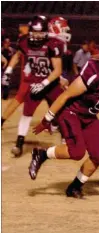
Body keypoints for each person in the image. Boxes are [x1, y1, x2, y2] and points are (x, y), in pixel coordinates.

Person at [28, 43, 99, 199]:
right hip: (71, 112)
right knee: (77, 152)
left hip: (89, 117)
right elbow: (65, 96)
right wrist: (47, 119)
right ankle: (42, 154)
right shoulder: (96, 73)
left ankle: (74, 187)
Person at [2, 15, 65, 156]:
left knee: (60, 111)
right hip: (35, 82)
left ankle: (66, 139)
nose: (36, 36)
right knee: (26, 113)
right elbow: (17, 55)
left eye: (39, 32)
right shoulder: (24, 42)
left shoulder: (52, 44)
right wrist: (8, 71)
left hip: (51, 83)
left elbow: (57, 70)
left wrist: (44, 84)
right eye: (34, 32)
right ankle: (19, 143)